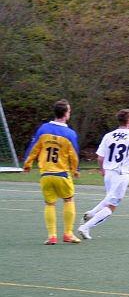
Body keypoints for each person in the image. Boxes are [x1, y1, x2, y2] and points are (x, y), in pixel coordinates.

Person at [77, 108, 129, 240]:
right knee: (112, 206)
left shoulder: (108, 136)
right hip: (121, 174)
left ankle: (91, 213)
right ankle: (85, 227)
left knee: (109, 198)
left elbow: (100, 157)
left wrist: (102, 170)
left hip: (108, 174)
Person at [22, 99, 81, 245]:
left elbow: (34, 148)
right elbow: (74, 155)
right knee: (68, 200)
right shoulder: (70, 134)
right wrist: (75, 170)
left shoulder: (43, 129)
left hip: (45, 175)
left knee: (50, 204)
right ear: (66, 114)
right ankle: (68, 234)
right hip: (62, 174)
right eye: (69, 111)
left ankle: (52, 236)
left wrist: (27, 164)